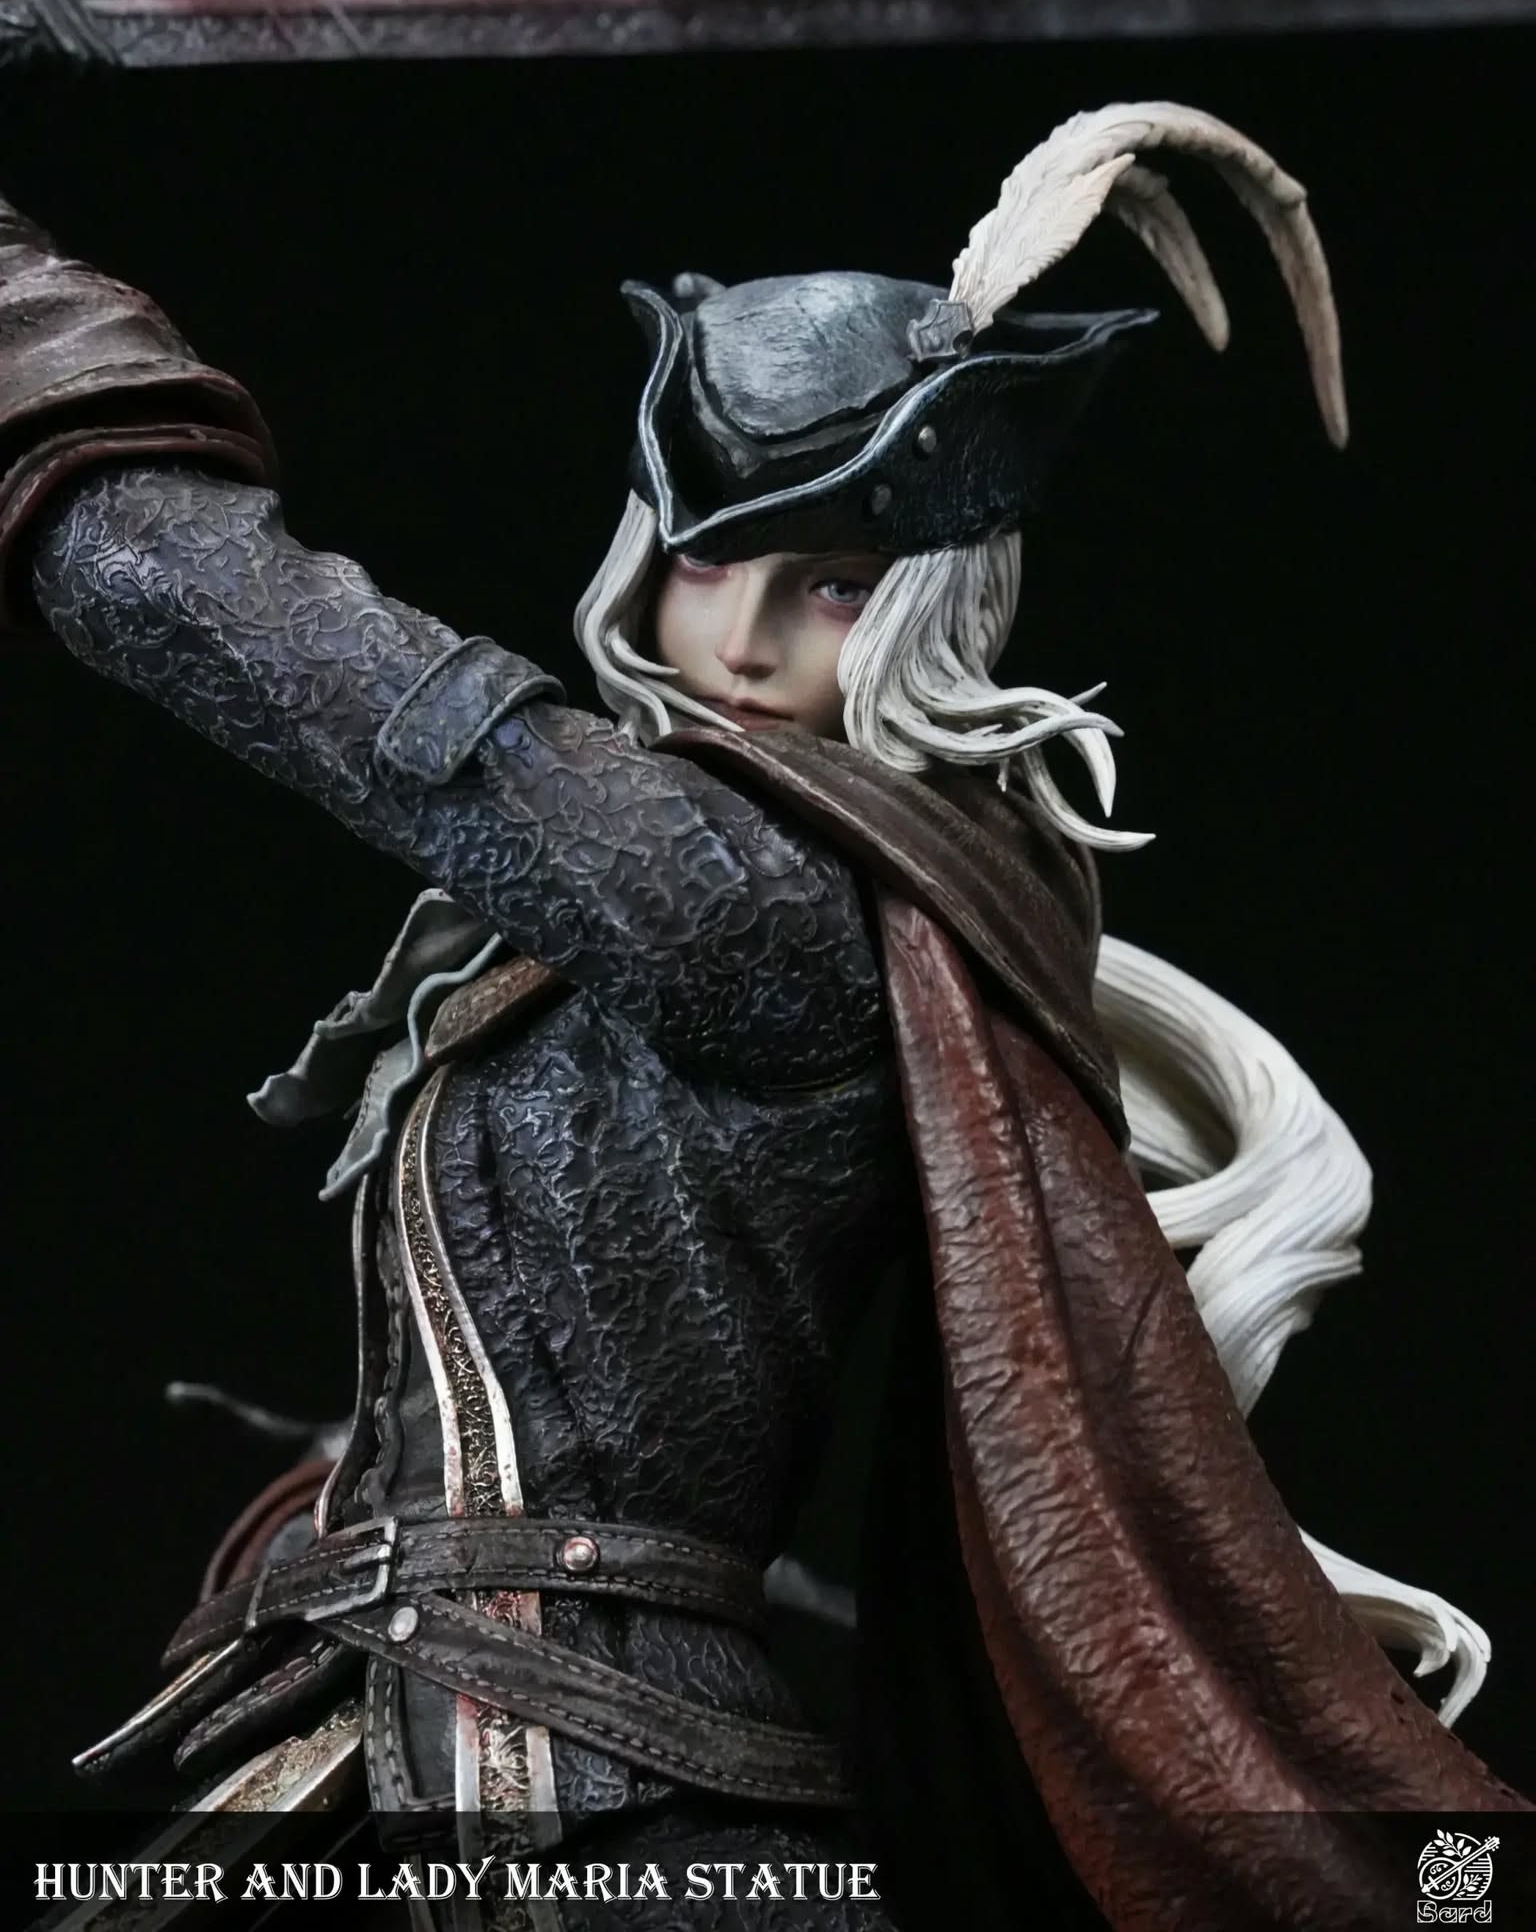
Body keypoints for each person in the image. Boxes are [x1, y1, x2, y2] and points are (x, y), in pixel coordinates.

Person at [2, 102, 1527, 1932]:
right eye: (707, 557)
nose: (736, 642)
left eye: (831, 584)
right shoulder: (744, 883)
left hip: (607, 1804)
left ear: (938, 603)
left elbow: (221, 612)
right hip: (439, 1729)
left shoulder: (751, 900)